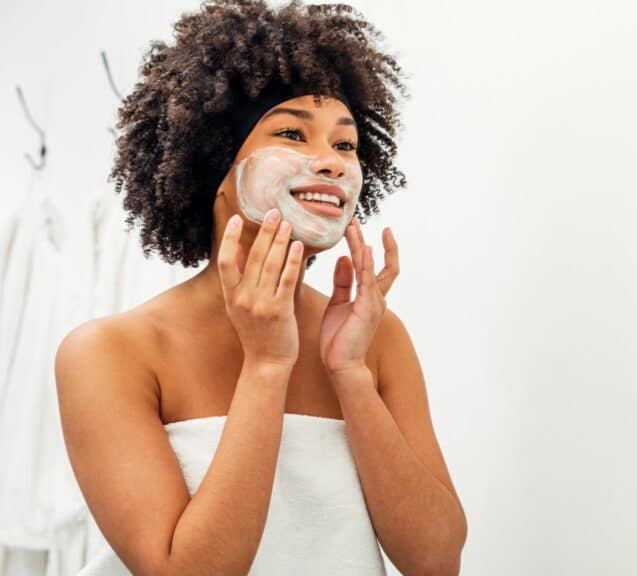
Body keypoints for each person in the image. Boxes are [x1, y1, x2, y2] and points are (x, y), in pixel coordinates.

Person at [53, 1, 467, 574]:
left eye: (345, 145)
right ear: (213, 168)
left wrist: (350, 375)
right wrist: (267, 366)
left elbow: (436, 560)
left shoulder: (375, 338)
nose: (330, 163)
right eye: (293, 134)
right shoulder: (109, 353)